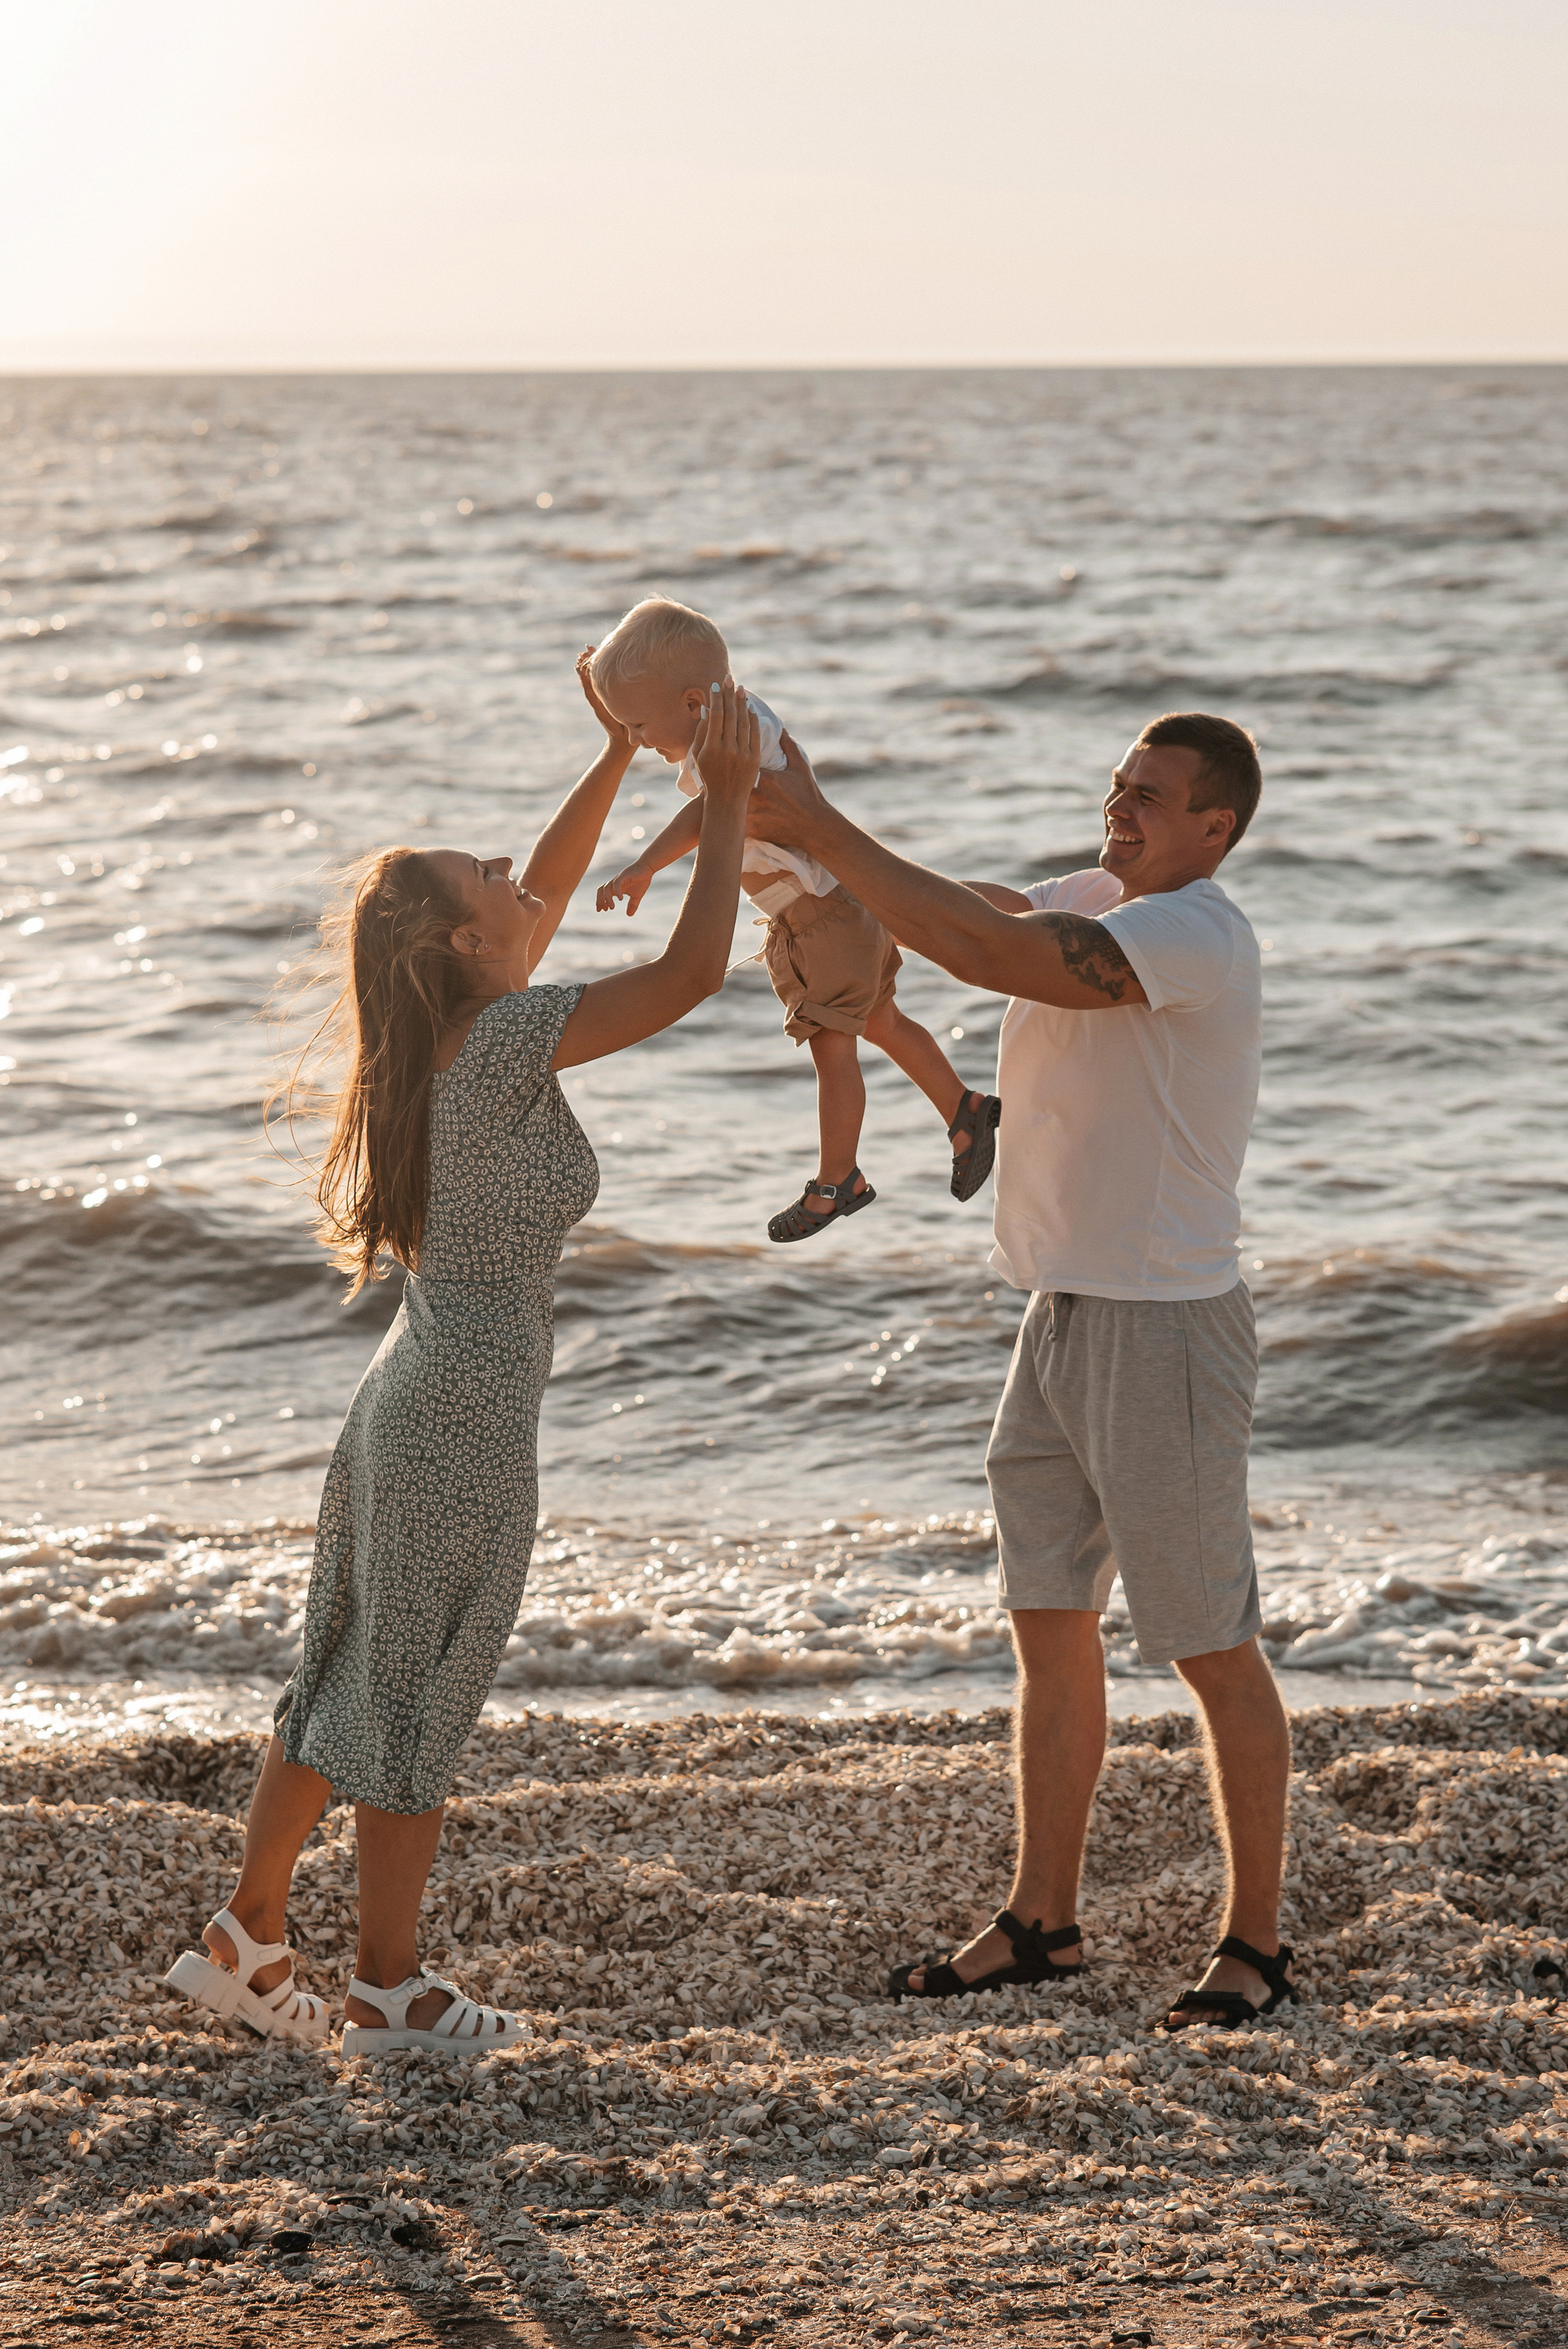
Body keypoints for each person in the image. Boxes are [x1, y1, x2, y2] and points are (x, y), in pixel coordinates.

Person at [165, 662, 758, 2055]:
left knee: (343, 1674)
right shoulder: (495, 1041)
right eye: (476, 871)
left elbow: (533, 899)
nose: (510, 867)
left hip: (405, 1395)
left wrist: (613, 755)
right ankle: (389, 1989)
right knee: (416, 1698)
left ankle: (246, 1938)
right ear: (453, 938)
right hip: (464, 1414)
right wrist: (722, 804)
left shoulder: (435, 1032)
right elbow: (686, 971)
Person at [749, 711, 1297, 2031]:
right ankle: (1040, 1921)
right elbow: (972, 913)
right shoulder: (1102, 892)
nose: (1121, 809)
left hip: (1161, 1323)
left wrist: (821, 830)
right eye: (1116, 785)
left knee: (1211, 1645)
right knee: (1045, 1622)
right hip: (1058, 1315)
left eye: (1150, 798)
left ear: (1212, 827)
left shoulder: (1194, 933)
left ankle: (1256, 1948)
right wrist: (802, 861)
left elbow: (998, 953)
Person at [589, 596, 1000, 1240]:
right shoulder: (735, 721)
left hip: (824, 919)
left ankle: (839, 1181)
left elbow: (714, 814)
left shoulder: (732, 738)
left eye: (638, 726)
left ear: (694, 703)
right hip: (832, 907)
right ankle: (963, 1108)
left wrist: (645, 865)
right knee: (883, 1021)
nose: (638, 742)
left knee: (833, 1048)